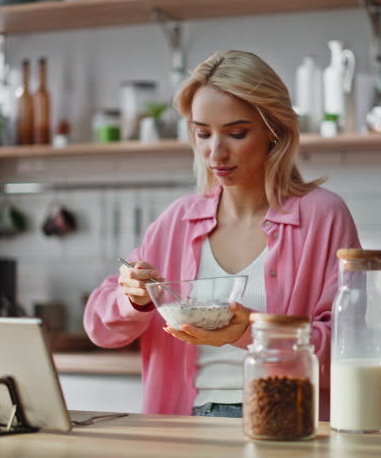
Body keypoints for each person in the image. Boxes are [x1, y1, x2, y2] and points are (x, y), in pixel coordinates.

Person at [83, 50, 360, 419]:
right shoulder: (177, 221)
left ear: (274, 130)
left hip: (287, 427)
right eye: (202, 133)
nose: (216, 152)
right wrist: (132, 299)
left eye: (236, 133)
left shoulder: (322, 217)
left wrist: (252, 333)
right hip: (184, 430)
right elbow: (100, 328)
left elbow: (351, 350)